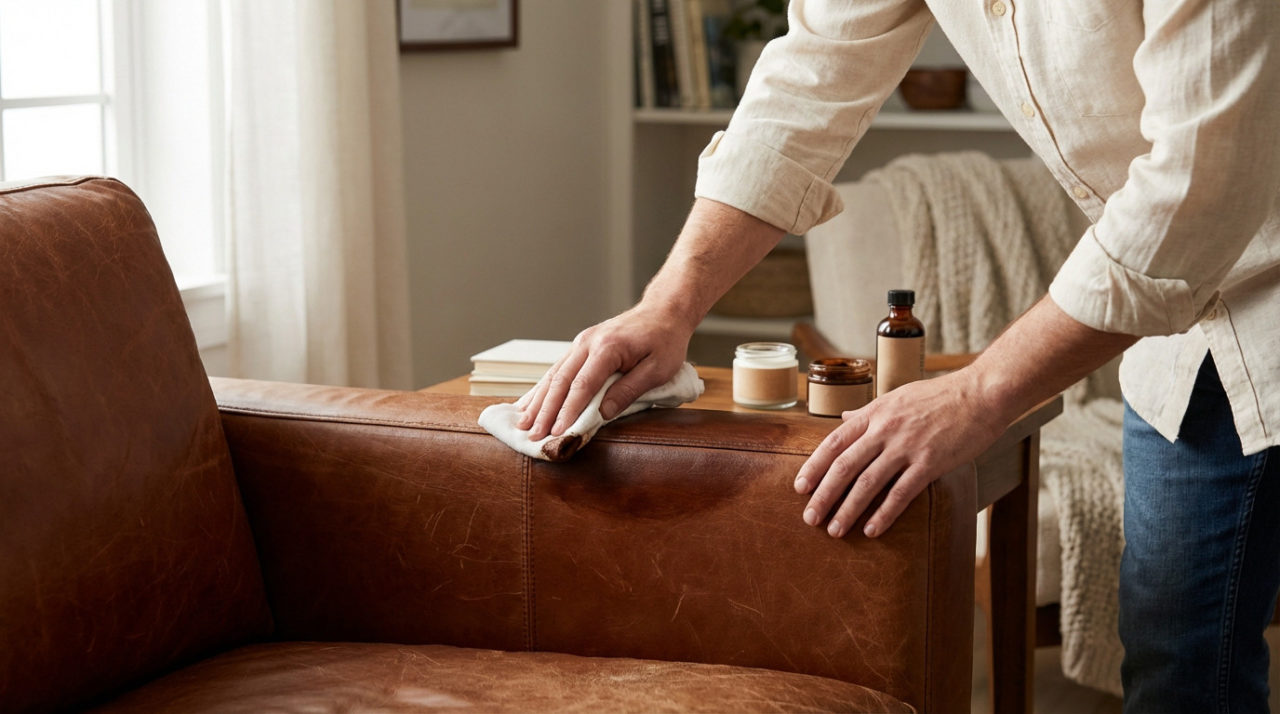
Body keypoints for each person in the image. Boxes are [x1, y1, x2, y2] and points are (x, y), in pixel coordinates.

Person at [518, 1, 1280, 710]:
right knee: (1178, 665)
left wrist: (977, 394)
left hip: (1261, 292)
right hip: (1187, 334)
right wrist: (669, 304)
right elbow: (811, 80)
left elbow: (1198, 184)